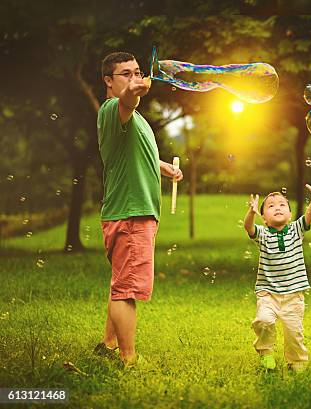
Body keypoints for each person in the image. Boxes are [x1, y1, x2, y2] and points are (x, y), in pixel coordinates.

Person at [93, 51, 183, 368]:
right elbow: (127, 101)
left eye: (137, 72)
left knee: (121, 282)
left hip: (133, 210)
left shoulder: (134, 120)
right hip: (131, 213)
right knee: (127, 291)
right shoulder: (112, 110)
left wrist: (163, 169)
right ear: (108, 80)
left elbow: (134, 154)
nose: (134, 78)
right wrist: (132, 93)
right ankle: (128, 359)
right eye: (125, 74)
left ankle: (108, 343)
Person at [244, 176, 311, 371]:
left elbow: (309, 216)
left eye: (282, 204)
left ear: (290, 215)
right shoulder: (263, 234)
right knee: (264, 321)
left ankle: (296, 361)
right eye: (271, 206)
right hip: (268, 294)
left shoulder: (296, 230)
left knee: (294, 332)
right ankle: (266, 353)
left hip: (293, 295)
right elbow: (248, 227)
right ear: (264, 218)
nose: (278, 207)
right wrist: (251, 212)